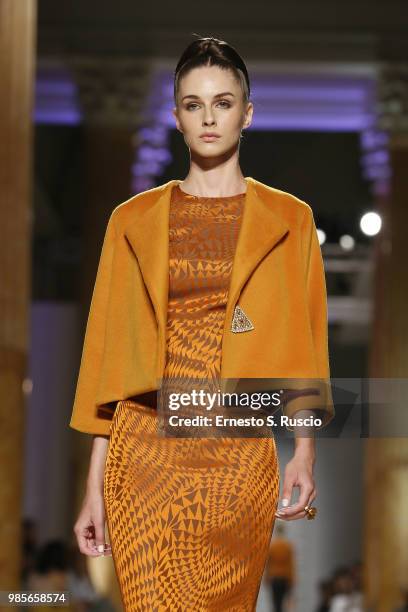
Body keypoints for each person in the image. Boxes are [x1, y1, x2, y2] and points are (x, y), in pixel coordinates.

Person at [70, 35, 334, 610]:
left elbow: (306, 341)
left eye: (223, 102)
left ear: (247, 113)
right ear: (176, 117)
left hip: (239, 457)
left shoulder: (290, 220)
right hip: (143, 455)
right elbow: (109, 356)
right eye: (193, 104)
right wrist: (94, 487)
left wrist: (305, 449)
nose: (209, 117)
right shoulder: (132, 221)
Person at [265, 523, 295, 612]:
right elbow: (290, 564)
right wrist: (292, 580)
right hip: (284, 577)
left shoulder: (272, 546)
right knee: (282, 602)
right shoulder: (288, 546)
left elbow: (268, 564)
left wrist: (267, 578)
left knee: (275, 602)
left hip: (274, 577)